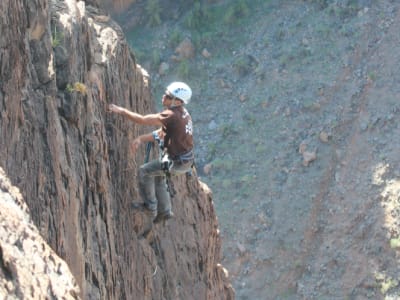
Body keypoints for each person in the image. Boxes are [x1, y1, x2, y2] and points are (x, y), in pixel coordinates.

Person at [108, 82, 194, 224]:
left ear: (177, 101)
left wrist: (121, 111)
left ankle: (150, 206)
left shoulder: (171, 115)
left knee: (144, 171)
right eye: (166, 93)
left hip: (177, 163)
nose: (164, 96)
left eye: (168, 96)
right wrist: (141, 139)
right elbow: (162, 133)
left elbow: (142, 120)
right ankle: (165, 211)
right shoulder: (183, 113)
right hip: (185, 162)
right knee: (159, 176)